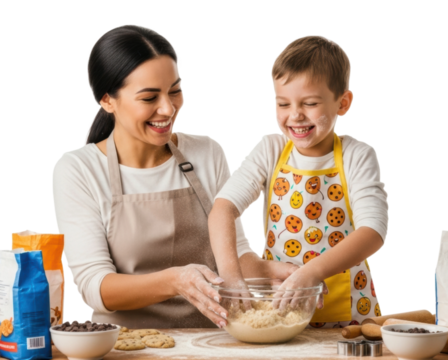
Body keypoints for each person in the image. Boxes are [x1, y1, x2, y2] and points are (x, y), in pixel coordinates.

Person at [51, 23, 298, 329]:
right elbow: (95, 287)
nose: (167, 109)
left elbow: (235, 250)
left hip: (213, 340)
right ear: (106, 100)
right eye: (149, 98)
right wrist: (175, 281)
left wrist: (264, 270)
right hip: (125, 346)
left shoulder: (207, 151)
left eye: (175, 91)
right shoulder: (79, 168)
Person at [208, 33, 389, 329]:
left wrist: (312, 272)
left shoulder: (358, 154)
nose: (295, 116)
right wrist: (232, 278)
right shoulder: (271, 148)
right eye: (283, 103)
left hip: (346, 316)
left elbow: (373, 232)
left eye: (310, 103)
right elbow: (222, 210)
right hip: (278, 311)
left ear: (343, 104)